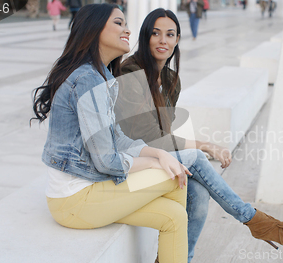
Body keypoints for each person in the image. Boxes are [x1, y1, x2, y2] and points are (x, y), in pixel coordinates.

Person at [117, 8, 283, 263]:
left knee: (199, 196)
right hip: (131, 159)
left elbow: (164, 133)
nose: (163, 41)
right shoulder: (130, 73)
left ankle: (181, 259)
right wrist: (205, 145)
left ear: (177, 40)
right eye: (156, 34)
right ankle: (252, 218)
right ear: (146, 36)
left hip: (158, 155)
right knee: (196, 156)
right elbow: (147, 136)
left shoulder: (170, 79)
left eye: (170, 35)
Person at [32, 4, 190, 262]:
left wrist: (159, 153)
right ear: (95, 30)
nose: (127, 30)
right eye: (119, 23)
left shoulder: (101, 76)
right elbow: (106, 159)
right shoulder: (87, 79)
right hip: (75, 200)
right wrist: (154, 162)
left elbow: (117, 137)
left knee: (174, 216)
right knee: (174, 176)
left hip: (87, 192)